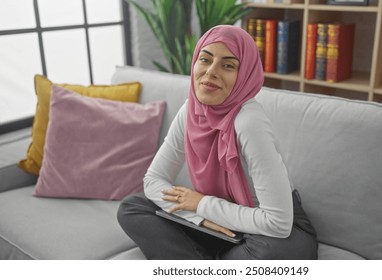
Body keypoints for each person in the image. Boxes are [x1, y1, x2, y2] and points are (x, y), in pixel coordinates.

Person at [117, 25, 317, 260]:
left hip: (274, 230)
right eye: (205, 59)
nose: (211, 72)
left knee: (270, 252)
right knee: (133, 207)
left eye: (228, 65)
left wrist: (202, 204)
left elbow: (278, 223)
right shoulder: (190, 111)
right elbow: (153, 180)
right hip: (220, 223)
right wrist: (200, 218)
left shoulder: (249, 122)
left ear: (244, 76)